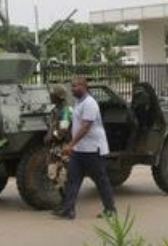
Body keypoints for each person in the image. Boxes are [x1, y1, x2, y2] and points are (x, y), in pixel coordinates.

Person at [52, 77, 116, 220]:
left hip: (93, 149)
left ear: (84, 87)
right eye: (72, 86)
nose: (73, 89)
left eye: (76, 86)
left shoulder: (90, 103)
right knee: (73, 179)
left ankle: (110, 209)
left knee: (100, 180)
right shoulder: (78, 102)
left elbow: (85, 127)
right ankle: (68, 210)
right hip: (80, 149)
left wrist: (71, 145)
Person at [43, 85, 72, 183]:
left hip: (63, 146)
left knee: (63, 174)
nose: (50, 96)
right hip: (55, 146)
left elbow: (63, 130)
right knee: (53, 174)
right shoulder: (55, 110)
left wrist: (51, 136)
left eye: (52, 94)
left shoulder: (66, 111)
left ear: (58, 97)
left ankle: (66, 195)